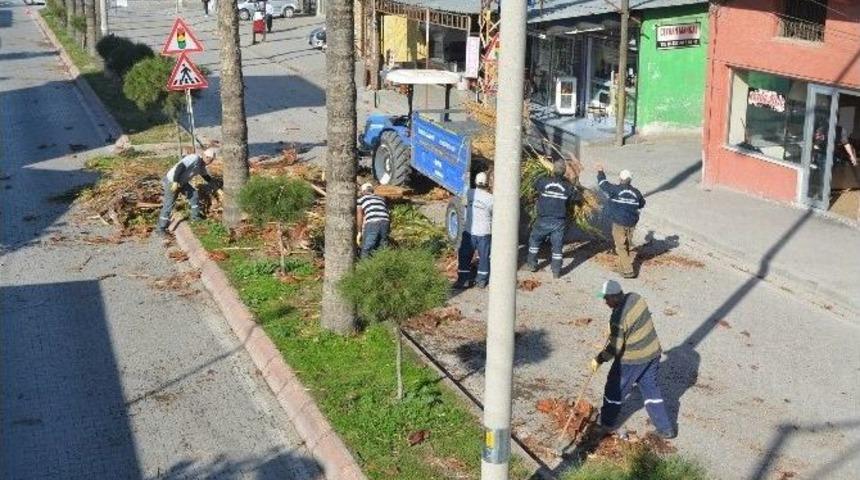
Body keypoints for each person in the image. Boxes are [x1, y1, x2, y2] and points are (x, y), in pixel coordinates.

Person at [591, 280, 675, 439]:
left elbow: (615, 348)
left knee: (614, 390)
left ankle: (606, 422)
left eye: (606, 299)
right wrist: (615, 329)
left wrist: (599, 359)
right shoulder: (636, 298)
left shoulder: (618, 317)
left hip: (632, 360)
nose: (605, 302)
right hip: (652, 353)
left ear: (614, 297)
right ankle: (666, 429)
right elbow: (632, 324)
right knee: (651, 390)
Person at [526, 161, 578, 278]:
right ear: (564, 173)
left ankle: (532, 265)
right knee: (557, 246)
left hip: (543, 219)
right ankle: (556, 271)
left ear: (553, 170)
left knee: (534, 241)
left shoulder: (543, 181)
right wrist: (574, 184)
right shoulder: (567, 186)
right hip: (558, 222)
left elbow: (534, 184)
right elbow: (577, 198)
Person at [596, 165, 645, 279]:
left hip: (619, 223)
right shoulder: (636, 192)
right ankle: (621, 267)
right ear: (630, 180)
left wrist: (600, 171)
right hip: (631, 223)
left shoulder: (615, 190)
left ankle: (628, 271)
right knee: (626, 244)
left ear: (620, 178)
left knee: (620, 247)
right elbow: (642, 204)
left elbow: (603, 184)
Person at [156, 148, 219, 236]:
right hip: (172, 181)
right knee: (169, 204)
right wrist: (175, 182)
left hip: (182, 183)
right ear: (205, 156)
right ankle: (160, 228)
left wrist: (217, 187)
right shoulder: (194, 158)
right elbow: (180, 167)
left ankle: (195, 216)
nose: (209, 161)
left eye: (211, 160)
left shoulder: (201, 166)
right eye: (209, 158)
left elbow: (206, 177)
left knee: (194, 195)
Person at [454, 172, 493, 289]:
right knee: (484, 256)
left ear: (475, 182)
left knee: (464, 255)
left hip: (469, 231)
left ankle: (463, 280)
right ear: (487, 184)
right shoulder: (491, 198)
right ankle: (482, 281)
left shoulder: (470, 193)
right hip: (484, 232)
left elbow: (464, 204)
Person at [356, 183, 390, 258]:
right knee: (383, 247)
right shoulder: (381, 198)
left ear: (363, 191)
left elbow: (359, 216)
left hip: (373, 223)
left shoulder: (361, 199)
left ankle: (364, 267)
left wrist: (359, 232)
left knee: (367, 248)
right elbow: (386, 212)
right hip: (385, 222)